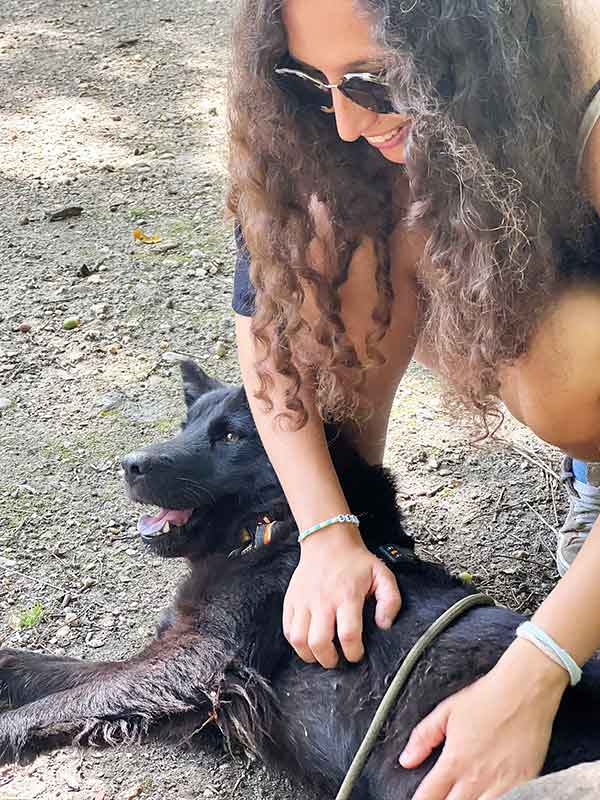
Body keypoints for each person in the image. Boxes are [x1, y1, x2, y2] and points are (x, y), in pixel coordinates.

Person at [227, 1, 600, 797]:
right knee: (328, 225)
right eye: (310, 80)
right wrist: (327, 532)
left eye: (374, 79)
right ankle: (365, 544)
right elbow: (266, 320)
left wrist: (535, 671)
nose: (349, 120)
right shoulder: (340, 125)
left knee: (573, 373)